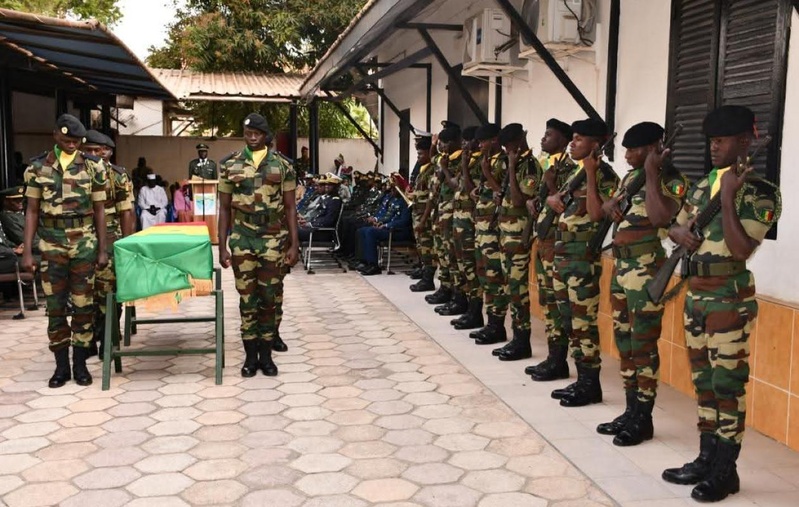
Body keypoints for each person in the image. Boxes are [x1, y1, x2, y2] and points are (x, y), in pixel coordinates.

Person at [661, 106, 780, 502]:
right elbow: (674, 224)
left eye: (722, 140)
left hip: (728, 299)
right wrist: (678, 234)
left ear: (744, 142)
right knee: (704, 383)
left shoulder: (759, 191)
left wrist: (728, 197)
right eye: (711, 141)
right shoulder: (700, 187)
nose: (713, 147)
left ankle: (726, 471)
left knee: (727, 386)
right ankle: (706, 458)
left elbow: (742, 248)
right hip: (695, 296)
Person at [595, 122, 688, 446]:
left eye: (633, 150)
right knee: (624, 342)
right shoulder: (630, 178)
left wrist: (651, 173)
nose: (626, 156)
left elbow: (661, 217)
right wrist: (610, 206)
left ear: (652, 149)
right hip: (622, 268)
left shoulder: (671, 180)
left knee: (643, 345)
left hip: (646, 270)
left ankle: (644, 418)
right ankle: (631, 410)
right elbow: (608, 208)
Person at [21, 114, 108, 388]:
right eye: (67, 140)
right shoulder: (37, 168)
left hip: (84, 243)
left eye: (76, 141)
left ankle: (80, 365)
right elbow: (31, 211)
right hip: (51, 244)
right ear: (56, 136)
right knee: (55, 307)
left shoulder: (93, 167)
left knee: (84, 305)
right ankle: (61, 367)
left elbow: (100, 210)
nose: (72, 144)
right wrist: (27, 252)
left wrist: (102, 249)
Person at [217, 113, 300, 378]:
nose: (252, 137)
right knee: (247, 298)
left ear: (265, 136)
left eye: (257, 133)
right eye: (248, 133)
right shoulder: (229, 165)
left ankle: (266, 356)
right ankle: (250, 357)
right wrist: (222, 245)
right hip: (242, 238)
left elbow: (290, 207)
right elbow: (224, 208)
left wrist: (294, 244)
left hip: (272, 238)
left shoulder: (282, 166)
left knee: (268, 298)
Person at [548, 118, 619, 407]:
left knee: (583, 324)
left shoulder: (605, 175)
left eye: (579, 139)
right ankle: (581, 380)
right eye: (573, 138)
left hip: (582, 260)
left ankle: (591, 385)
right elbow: (560, 203)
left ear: (595, 144)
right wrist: (553, 199)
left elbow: (596, 214)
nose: (572, 143)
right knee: (568, 321)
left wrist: (590, 173)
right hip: (563, 256)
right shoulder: (574, 173)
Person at [525, 119, 577, 381]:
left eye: (549, 135)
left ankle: (559, 361)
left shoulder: (570, 170)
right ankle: (553, 358)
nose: (543, 139)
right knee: (547, 303)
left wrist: (551, 187)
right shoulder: (548, 166)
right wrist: (535, 202)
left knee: (557, 304)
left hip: (557, 245)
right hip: (543, 242)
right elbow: (547, 201)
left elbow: (565, 206)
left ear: (563, 140)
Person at [82, 130, 135, 357]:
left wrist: (126, 246)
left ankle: (107, 338)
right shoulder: (77, 173)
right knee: (85, 294)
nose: (93, 155)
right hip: (82, 238)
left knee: (109, 290)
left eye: (98, 150)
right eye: (88, 150)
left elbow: (126, 212)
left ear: (106, 152)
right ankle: (87, 340)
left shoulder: (117, 176)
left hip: (111, 237)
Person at [492, 124, 542, 361]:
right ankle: (516, 338)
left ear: (521, 140)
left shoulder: (529, 166)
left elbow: (519, 201)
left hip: (519, 236)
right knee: (510, 288)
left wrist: (511, 168)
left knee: (518, 291)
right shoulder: (517, 164)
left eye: (510, 146)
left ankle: (522, 342)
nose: (507, 150)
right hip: (506, 235)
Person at [473, 124, 509, 346]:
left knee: (495, 277)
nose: (480, 145)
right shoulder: (489, 161)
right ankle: (490, 322)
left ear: (494, 140)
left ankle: (497, 325)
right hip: (482, 227)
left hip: (494, 229)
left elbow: (503, 194)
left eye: (483, 141)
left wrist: (487, 174)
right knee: (484, 275)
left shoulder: (504, 162)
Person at [449, 126, 483, 329]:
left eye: (466, 141)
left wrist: (464, 166)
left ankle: (475, 312)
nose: (463, 145)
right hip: (459, 220)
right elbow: (457, 186)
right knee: (461, 265)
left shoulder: (478, 163)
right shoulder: (469, 161)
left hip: (470, 222)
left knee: (471, 268)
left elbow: (471, 190)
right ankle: (468, 307)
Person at [356, 175, 412, 276]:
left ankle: (373, 265)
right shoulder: (393, 200)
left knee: (370, 232)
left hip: (399, 231)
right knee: (362, 230)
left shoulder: (405, 202)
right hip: (389, 229)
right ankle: (364, 261)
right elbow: (389, 216)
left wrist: (387, 225)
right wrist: (381, 222)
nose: (391, 191)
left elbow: (404, 221)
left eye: (394, 189)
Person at [408, 135, 437, 292]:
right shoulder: (422, 170)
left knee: (428, 249)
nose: (418, 157)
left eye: (421, 154)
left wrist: (424, 220)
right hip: (418, 213)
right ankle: (424, 274)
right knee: (421, 247)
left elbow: (431, 198)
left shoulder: (431, 170)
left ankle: (428, 279)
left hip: (425, 216)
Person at [298, 176, 342, 241]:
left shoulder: (335, 201)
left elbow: (328, 220)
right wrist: (307, 222)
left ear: (336, 187)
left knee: (292, 232)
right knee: (290, 229)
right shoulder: (328, 199)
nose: (327, 186)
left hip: (323, 232)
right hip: (315, 230)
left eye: (330, 185)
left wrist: (310, 224)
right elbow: (319, 215)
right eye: (326, 184)